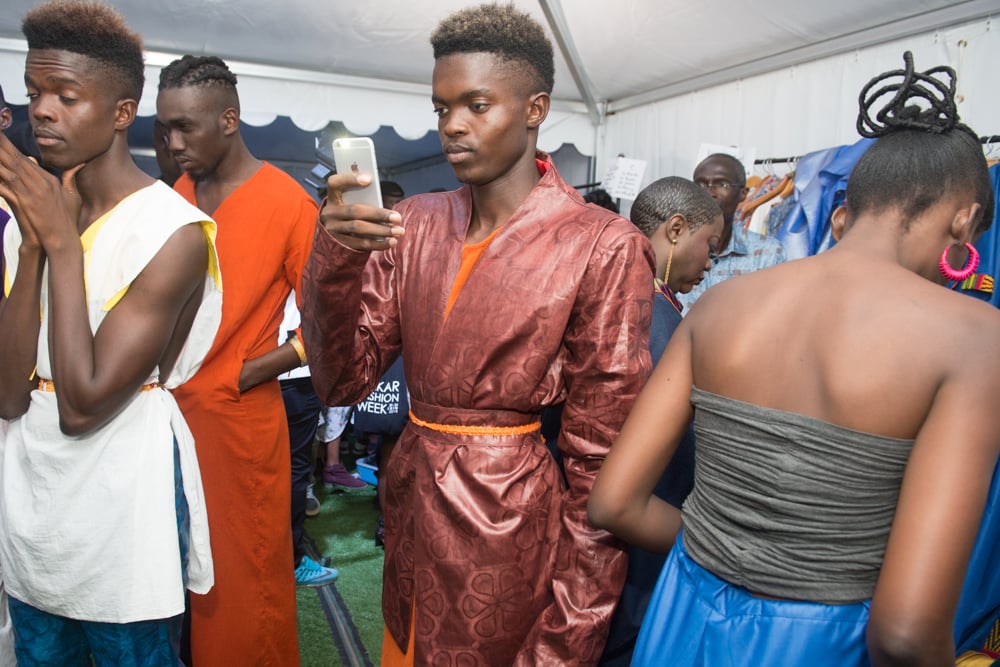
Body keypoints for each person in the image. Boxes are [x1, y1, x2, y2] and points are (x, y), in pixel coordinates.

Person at [588, 52, 1000, 666]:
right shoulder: (975, 338)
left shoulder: (718, 305)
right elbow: (907, 633)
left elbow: (613, 503)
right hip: (823, 642)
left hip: (682, 618)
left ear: (844, 210)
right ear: (965, 222)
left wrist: (726, 552)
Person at [301, 4, 654, 665]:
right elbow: (341, 378)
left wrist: (566, 639)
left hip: (506, 521)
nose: (452, 126)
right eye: (441, 107)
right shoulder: (414, 222)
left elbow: (599, 466)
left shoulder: (600, 244)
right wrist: (333, 260)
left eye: (476, 105)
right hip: (409, 508)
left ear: (534, 108)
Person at [0, 2, 222, 663]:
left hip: (121, 502)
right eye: (36, 92)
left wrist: (61, 243)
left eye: (66, 96)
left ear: (123, 112)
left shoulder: (173, 231)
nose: (42, 110)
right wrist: (36, 245)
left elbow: (83, 402)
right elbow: (9, 396)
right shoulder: (28, 224)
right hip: (33, 500)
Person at [157, 54, 317, 665]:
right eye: (165, 128)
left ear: (229, 119)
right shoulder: (181, 192)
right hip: (168, 418)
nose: (173, 144)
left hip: (242, 426)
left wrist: (249, 370)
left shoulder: (287, 203)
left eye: (185, 128)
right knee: (183, 583)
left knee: (246, 588)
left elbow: (331, 330)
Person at [599, 177, 722, 667]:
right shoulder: (647, 311)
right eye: (708, 244)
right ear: (675, 229)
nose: (711, 262)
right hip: (637, 507)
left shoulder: (640, 297)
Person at [277, 292, 346, 588]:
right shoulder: (305, 246)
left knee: (271, 467)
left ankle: (268, 555)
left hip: (260, 359)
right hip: (292, 364)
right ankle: (291, 560)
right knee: (294, 469)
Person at [676, 152, 785, 308]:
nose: (709, 192)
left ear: (743, 194)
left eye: (722, 185)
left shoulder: (768, 253)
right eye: (700, 184)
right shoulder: (674, 250)